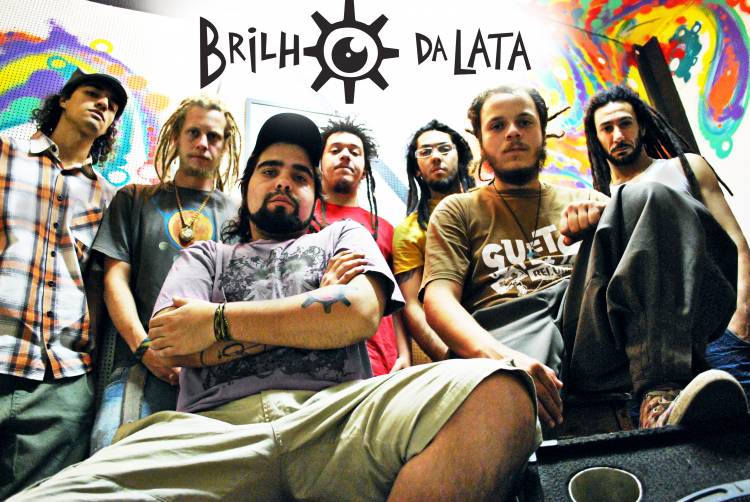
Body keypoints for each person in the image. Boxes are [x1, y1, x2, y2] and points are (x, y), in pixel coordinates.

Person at [10, 112, 540, 502]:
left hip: (339, 416)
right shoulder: (205, 255)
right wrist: (317, 312)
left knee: (500, 391)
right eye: (269, 170)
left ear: (314, 198)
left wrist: (215, 322)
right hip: (210, 432)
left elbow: (357, 314)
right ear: (246, 189)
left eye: (301, 176)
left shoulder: (343, 237)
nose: (285, 181)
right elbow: (172, 345)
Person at [422, 84, 748, 431]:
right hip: (511, 329)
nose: (513, 132)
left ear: (543, 132)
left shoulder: (583, 198)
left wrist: (608, 218)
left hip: (584, 328)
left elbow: (644, 261)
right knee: (511, 401)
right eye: (497, 125)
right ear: (481, 141)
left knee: (649, 194)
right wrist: (501, 357)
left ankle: (659, 395)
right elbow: (438, 301)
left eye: (525, 122)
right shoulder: (457, 210)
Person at [89, 95, 242, 453]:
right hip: (137, 366)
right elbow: (114, 280)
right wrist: (144, 348)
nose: (202, 143)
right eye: (193, 132)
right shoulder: (134, 199)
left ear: (225, 145)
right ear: (176, 137)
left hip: (213, 378)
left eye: (213, 136)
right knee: (109, 455)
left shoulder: (240, 216)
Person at [0, 69, 127, 497]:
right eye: (93, 94)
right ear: (64, 100)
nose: (103, 105)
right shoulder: (5, 156)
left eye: (112, 106)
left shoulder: (108, 197)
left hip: (63, 378)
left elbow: (100, 285)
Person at [583, 84, 750, 399]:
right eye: (607, 128)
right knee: (672, 428)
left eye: (625, 123)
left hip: (716, 331)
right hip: (650, 351)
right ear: (596, 137)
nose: (617, 135)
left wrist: (740, 318)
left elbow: (736, 242)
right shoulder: (603, 203)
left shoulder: (685, 167)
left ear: (642, 127)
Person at [314, 117, 410, 374]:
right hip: (319, 356)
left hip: (382, 362)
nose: (345, 156)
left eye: (354, 152)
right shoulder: (302, 218)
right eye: (335, 150)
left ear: (365, 169)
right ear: (319, 164)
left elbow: (396, 297)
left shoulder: (386, 228)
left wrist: (404, 352)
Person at [392, 119, 474, 362]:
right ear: (417, 169)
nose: (436, 157)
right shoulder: (408, 231)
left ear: (460, 158)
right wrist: (450, 360)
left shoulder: (491, 207)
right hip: (455, 347)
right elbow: (411, 306)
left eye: (444, 149)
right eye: (426, 152)